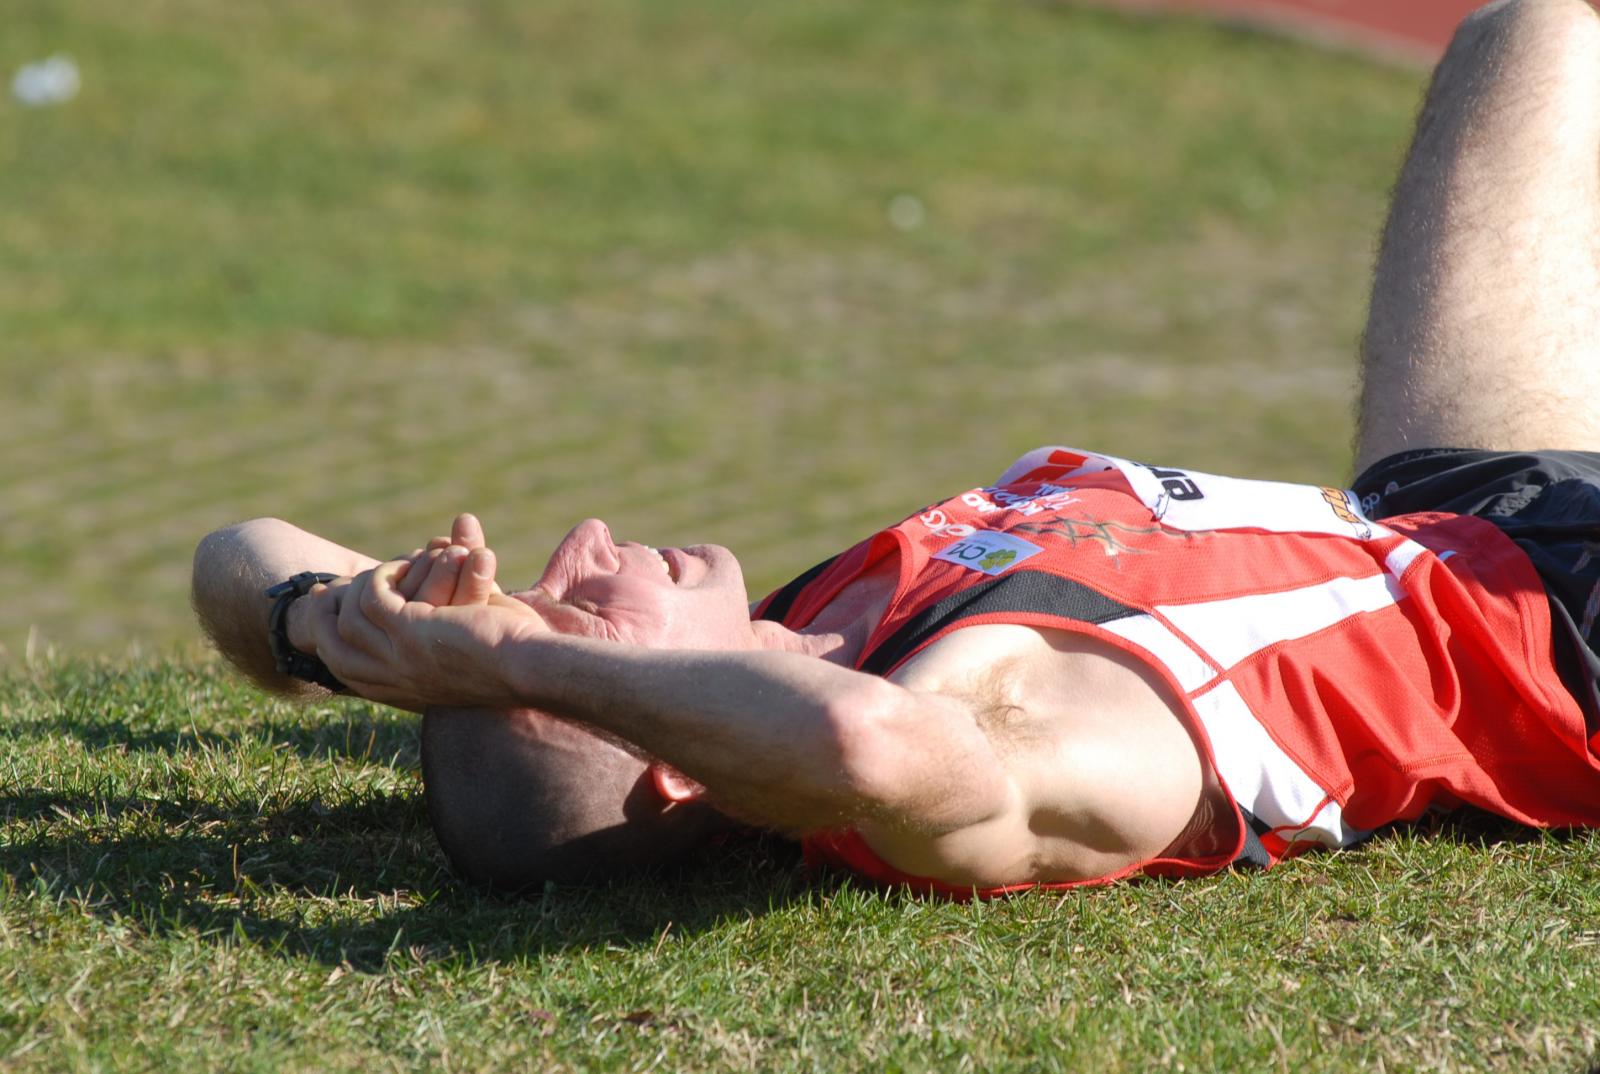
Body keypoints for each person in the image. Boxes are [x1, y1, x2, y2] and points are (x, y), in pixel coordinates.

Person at [192, 0, 1600, 896]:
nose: (586, 543)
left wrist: (336, 623)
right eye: (578, 604)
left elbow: (228, 555)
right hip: (1570, 641)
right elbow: (868, 751)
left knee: (1525, 35)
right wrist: (507, 662)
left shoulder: (809, 629)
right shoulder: (983, 738)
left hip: (1450, 503)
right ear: (673, 758)